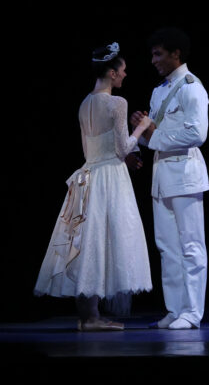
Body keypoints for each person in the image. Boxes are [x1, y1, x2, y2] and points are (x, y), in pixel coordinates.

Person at [34, 43, 153, 330]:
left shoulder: (85, 103)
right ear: (112, 73)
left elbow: (92, 147)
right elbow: (123, 148)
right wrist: (143, 126)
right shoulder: (117, 103)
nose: (125, 76)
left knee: (89, 241)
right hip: (109, 177)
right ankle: (91, 317)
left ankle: (89, 315)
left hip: (88, 174)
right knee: (104, 239)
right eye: (122, 72)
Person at [131, 27, 209, 329]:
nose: (153, 60)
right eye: (152, 54)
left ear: (176, 53)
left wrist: (153, 134)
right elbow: (152, 136)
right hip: (161, 175)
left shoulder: (192, 87)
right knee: (167, 246)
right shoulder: (159, 90)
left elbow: (197, 133)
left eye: (158, 54)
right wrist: (139, 130)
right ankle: (175, 310)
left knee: (191, 246)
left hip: (186, 175)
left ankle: (192, 313)